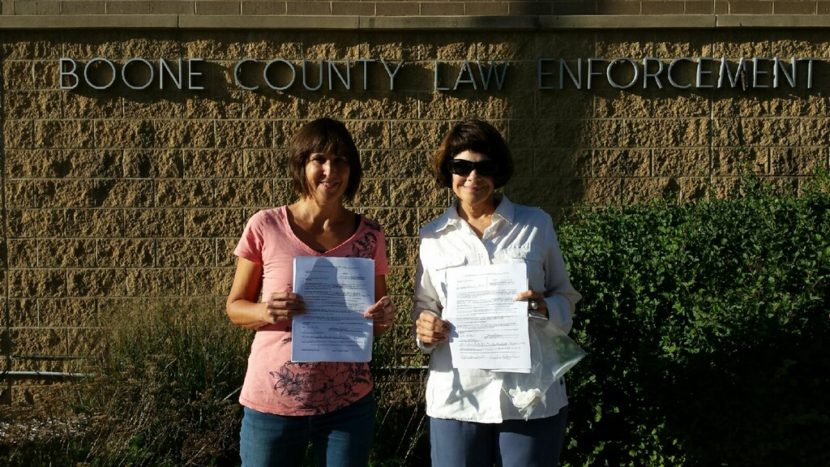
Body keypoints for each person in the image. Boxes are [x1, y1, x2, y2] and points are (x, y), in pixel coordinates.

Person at [226, 117, 396, 467]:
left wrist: (383, 317)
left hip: (348, 406)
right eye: (319, 159)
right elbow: (234, 307)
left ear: (352, 169)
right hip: (274, 400)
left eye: (340, 160)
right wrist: (264, 311)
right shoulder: (266, 225)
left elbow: (376, 322)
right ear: (301, 165)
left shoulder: (370, 235)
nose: (329, 170)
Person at [413, 118, 582, 467]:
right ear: (449, 171)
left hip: (529, 397)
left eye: (484, 167)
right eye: (462, 166)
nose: (473, 177)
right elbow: (424, 307)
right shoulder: (432, 237)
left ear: (499, 171)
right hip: (457, 397)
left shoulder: (535, 225)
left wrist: (546, 307)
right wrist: (425, 329)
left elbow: (565, 296)